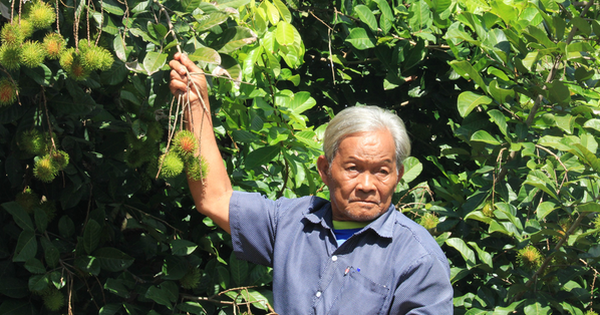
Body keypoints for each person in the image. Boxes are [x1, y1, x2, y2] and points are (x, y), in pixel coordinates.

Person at [169, 52, 453, 314]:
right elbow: (215, 198)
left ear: (398, 176)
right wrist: (195, 103)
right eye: (353, 169)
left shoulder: (417, 258)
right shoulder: (292, 222)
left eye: (381, 171)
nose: (367, 184)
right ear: (325, 170)